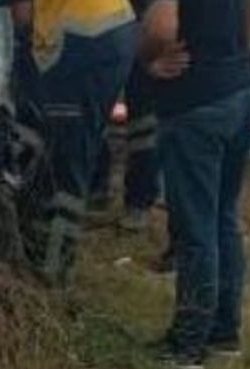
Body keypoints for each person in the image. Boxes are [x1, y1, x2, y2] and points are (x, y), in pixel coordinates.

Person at [142, 0, 250, 369]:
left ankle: (187, 345)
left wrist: (150, 59)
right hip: (240, 91)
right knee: (223, 219)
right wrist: (236, 53)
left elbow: (161, 26)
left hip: (196, 104)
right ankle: (223, 334)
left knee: (195, 229)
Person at [12, 0, 139, 285]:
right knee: (76, 147)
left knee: (62, 160)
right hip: (112, 25)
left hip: (78, 38)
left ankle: (51, 273)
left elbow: (20, 14)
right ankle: (51, 258)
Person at [88, 0, 160, 234]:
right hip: (105, 22)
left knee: (143, 124)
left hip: (140, 23)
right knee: (94, 113)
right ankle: (97, 188)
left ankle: (138, 200)